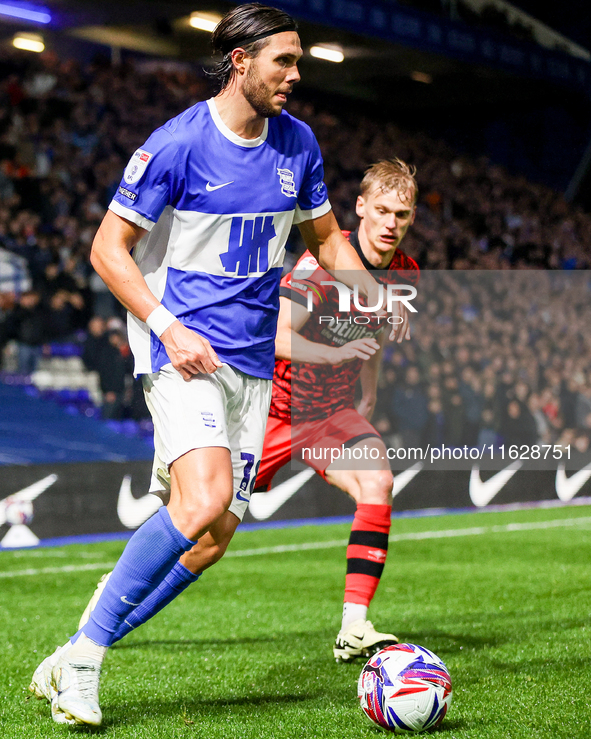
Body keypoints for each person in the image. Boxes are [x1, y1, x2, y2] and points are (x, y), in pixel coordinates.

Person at [30, 3, 386, 727]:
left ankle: (71, 649)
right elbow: (107, 250)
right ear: (239, 61)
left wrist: (373, 294)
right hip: (181, 347)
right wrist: (165, 324)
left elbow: (323, 237)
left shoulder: (299, 144)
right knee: (200, 499)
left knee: (213, 533)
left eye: (298, 61)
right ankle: (87, 666)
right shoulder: (177, 145)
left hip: (252, 366)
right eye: (282, 61)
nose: (294, 74)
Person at [43, 158, 418, 686]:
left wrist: (371, 386)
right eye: (381, 210)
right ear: (359, 208)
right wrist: (333, 357)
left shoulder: (405, 271)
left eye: (401, 214)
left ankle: (355, 624)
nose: (390, 223)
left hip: (330, 414)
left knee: (377, 479)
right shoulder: (320, 266)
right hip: (272, 412)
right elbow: (278, 337)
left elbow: (376, 332)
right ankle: (89, 640)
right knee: (207, 543)